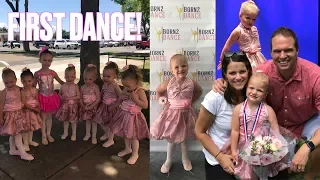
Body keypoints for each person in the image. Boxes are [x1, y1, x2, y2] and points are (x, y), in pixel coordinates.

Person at [212, 26, 320, 180]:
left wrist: (307, 147)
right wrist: (221, 81)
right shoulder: (262, 72)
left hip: (305, 120)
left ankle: (310, 176)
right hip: (273, 124)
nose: (282, 56)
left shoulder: (315, 76)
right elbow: (239, 79)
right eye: (277, 51)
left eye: (288, 50)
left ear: (297, 50)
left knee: (318, 143)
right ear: (270, 53)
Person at [229, 72, 290, 179]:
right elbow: (235, 131)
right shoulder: (238, 109)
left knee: (262, 173)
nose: (254, 92)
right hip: (244, 147)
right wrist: (234, 150)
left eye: (259, 90)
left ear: (265, 94)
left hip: (262, 148)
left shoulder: (268, 110)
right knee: (247, 175)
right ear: (246, 88)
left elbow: (276, 131)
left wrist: (275, 148)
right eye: (251, 88)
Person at [150, 54, 203, 173]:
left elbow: (199, 91)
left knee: (184, 140)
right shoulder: (168, 82)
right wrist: (163, 101)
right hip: (172, 115)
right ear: (172, 70)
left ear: (187, 67)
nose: (180, 69)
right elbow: (158, 91)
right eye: (177, 67)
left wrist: (191, 101)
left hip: (186, 114)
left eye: (183, 66)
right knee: (171, 140)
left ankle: (185, 158)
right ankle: (168, 160)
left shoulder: (191, 82)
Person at [110, 65, 149, 165]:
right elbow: (120, 99)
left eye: (128, 86)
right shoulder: (125, 90)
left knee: (133, 137)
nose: (126, 88)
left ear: (137, 82)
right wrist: (120, 100)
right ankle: (128, 149)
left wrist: (136, 99)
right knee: (125, 134)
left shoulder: (140, 91)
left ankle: (135, 153)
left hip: (133, 117)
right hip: (123, 115)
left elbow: (145, 105)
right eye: (124, 86)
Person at [217, 0, 266, 71]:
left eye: (254, 19)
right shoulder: (238, 31)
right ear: (240, 15)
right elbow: (227, 47)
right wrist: (222, 61)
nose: (251, 22)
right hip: (246, 60)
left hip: (258, 58)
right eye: (248, 18)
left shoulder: (254, 29)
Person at [0, 68, 34, 161]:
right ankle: (23, 153)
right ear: (3, 82)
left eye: (12, 82)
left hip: (18, 114)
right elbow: (1, 105)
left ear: (15, 79)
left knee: (13, 134)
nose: (10, 84)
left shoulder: (19, 89)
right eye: (6, 83)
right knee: (17, 134)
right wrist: (1, 117)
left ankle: (12, 149)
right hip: (10, 116)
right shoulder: (4, 92)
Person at [34, 47, 64, 145]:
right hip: (42, 97)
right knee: (43, 117)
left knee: (50, 117)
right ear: (40, 60)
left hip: (51, 97)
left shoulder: (52, 72)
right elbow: (33, 87)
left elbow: (61, 82)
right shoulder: (37, 74)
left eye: (49, 61)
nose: (47, 62)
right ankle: (43, 135)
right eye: (45, 60)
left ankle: (48, 134)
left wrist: (70, 85)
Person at [92, 61, 122, 148]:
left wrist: (115, 104)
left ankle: (111, 139)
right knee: (101, 121)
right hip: (104, 106)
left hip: (112, 108)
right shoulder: (105, 84)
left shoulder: (115, 86)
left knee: (111, 124)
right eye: (104, 76)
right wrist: (99, 100)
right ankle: (107, 134)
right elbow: (102, 93)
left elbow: (121, 97)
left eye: (108, 76)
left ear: (114, 76)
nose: (105, 78)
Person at [55, 64, 80, 141]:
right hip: (65, 106)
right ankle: (65, 133)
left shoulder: (75, 86)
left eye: (72, 77)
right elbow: (59, 94)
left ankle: (74, 134)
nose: (70, 79)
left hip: (73, 106)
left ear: (74, 77)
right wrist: (61, 97)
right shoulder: (63, 86)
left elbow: (78, 96)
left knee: (73, 121)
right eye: (68, 77)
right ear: (65, 77)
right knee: (65, 120)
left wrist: (70, 98)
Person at [20, 68, 42, 151]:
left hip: (34, 111)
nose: (27, 83)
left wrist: (38, 108)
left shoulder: (35, 90)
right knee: (26, 128)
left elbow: (37, 100)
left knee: (32, 127)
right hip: (26, 111)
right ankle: (25, 143)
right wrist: (33, 109)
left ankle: (30, 141)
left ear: (32, 80)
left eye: (29, 81)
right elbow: (24, 104)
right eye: (25, 81)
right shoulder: (22, 91)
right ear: (22, 81)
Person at [79, 64, 101, 144]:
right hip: (85, 107)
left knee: (94, 122)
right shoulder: (82, 87)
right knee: (87, 121)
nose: (87, 81)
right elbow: (80, 97)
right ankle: (87, 134)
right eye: (85, 79)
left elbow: (98, 98)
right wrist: (82, 105)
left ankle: (94, 136)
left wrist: (92, 106)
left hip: (93, 107)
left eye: (90, 79)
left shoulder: (95, 87)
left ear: (94, 78)